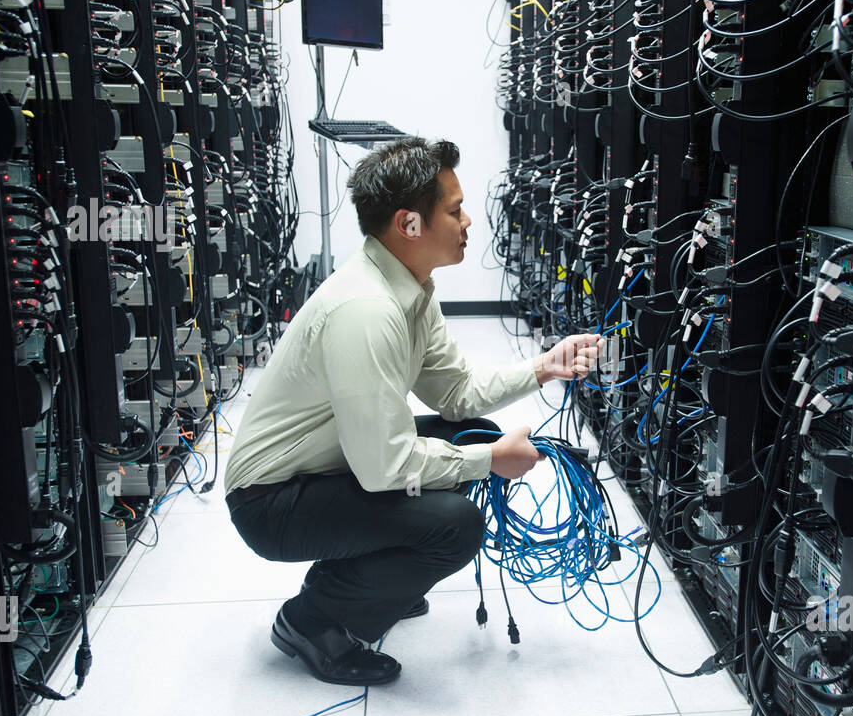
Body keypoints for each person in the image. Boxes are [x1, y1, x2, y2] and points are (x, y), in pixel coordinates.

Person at [224, 137, 599, 685]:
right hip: (271, 500)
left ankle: (371, 580)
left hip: (327, 466)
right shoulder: (367, 311)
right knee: (456, 526)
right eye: (454, 210)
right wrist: (488, 460)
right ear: (410, 225)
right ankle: (313, 619)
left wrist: (544, 367)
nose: (469, 221)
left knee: (470, 430)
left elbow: (457, 395)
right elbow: (383, 468)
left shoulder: (412, 289)